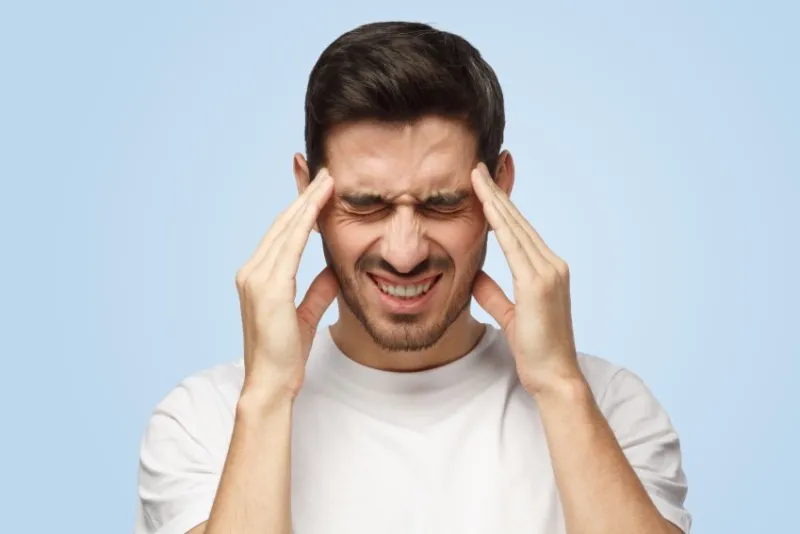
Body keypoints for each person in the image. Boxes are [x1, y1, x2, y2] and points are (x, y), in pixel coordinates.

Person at [134, 21, 691, 534]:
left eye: (444, 204)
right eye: (365, 204)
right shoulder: (203, 421)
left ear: (501, 188)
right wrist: (268, 395)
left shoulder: (610, 408)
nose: (404, 253)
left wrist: (560, 387)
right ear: (308, 193)